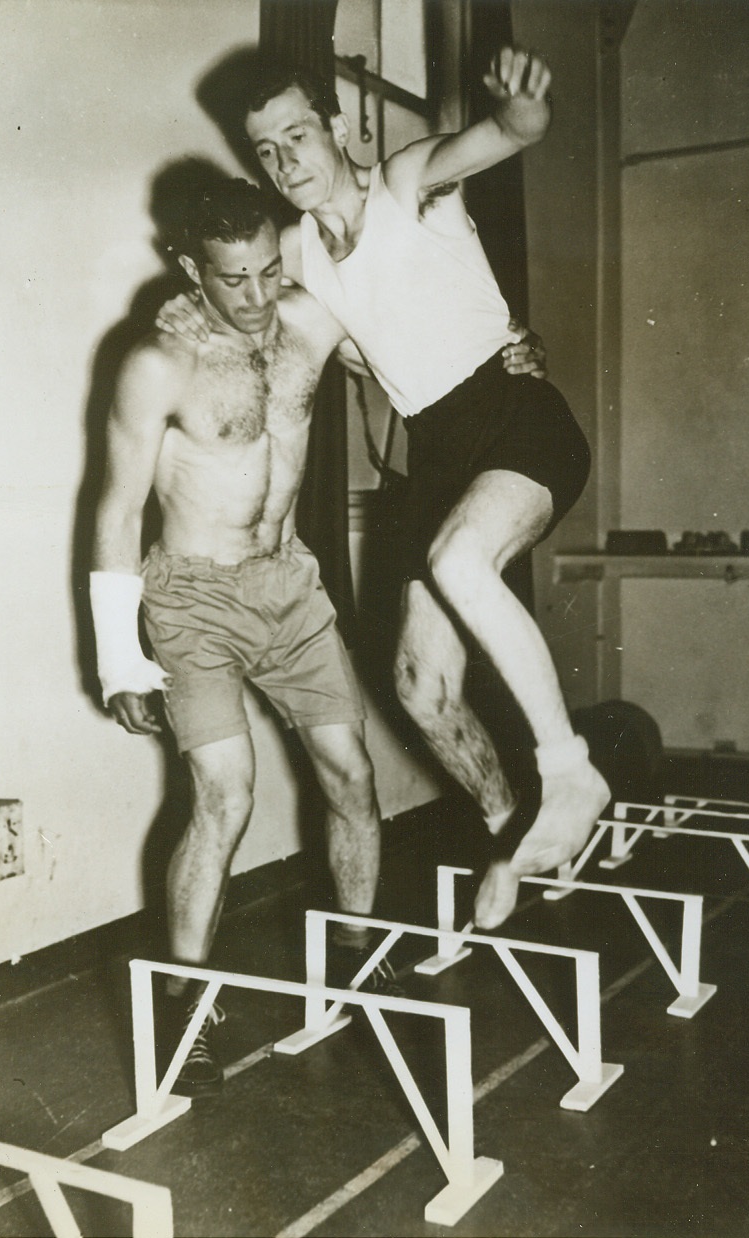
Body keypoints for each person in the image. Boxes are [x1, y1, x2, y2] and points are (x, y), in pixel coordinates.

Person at [91, 177, 544, 1097]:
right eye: (232, 280)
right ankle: (186, 1003)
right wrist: (117, 655)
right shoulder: (157, 364)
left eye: (267, 270)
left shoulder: (311, 321)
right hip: (194, 598)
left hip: (290, 585)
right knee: (225, 793)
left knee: (352, 777)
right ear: (190, 270)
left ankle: (352, 960)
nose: (256, 298)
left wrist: (507, 355)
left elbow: (421, 356)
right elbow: (114, 511)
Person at [159, 46, 610, 932]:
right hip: (436, 450)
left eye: (299, 134)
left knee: (462, 561)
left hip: (516, 414)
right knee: (418, 685)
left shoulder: (409, 185)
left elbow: (505, 135)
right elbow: (237, 304)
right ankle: (512, 835)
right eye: (267, 149)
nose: (288, 161)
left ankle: (570, 769)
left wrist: (524, 108)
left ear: (338, 125)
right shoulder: (293, 255)